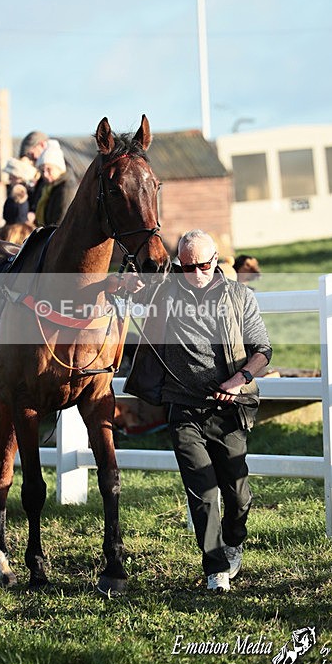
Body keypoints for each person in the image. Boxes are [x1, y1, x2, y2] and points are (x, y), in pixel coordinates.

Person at [124, 230, 272, 593]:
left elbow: (262, 350)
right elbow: (135, 288)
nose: (195, 273)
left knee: (237, 494)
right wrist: (126, 282)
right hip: (184, 408)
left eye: (203, 265)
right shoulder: (166, 293)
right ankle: (215, 568)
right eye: (187, 266)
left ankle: (233, 540)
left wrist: (238, 380)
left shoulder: (239, 296)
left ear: (216, 260)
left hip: (229, 408)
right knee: (202, 491)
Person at [34, 139, 78, 226]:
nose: (45, 174)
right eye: (42, 170)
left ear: (59, 168)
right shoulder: (46, 187)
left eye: (49, 169)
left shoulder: (67, 188)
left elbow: (62, 222)